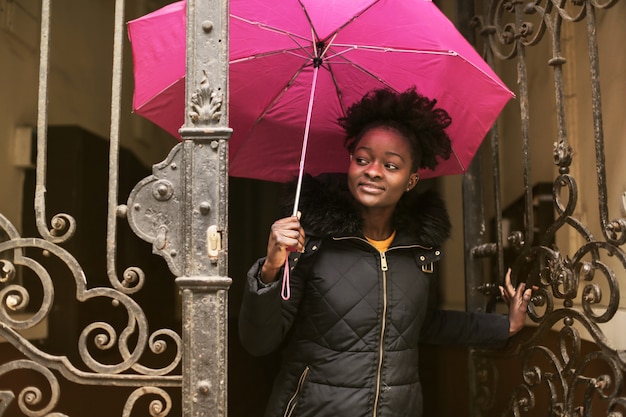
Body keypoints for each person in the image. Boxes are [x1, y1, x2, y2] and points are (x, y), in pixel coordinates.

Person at [238, 87, 532, 417]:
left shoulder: (418, 252)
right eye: (362, 159)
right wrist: (271, 269)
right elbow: (258, 342)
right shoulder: (310, 242)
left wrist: (503, 327)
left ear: (411, 180)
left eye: (391, 165)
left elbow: (421, 325)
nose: (373, 171)